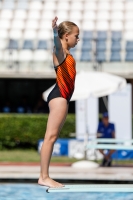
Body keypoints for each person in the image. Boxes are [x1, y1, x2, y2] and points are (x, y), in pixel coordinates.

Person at [38, 17, 80, 188]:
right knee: (50, 137)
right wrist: (55, 31)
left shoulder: (67, 53)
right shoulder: (59, 51)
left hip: (63, 97)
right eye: (76, 36)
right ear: (67, 35)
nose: (78, 39)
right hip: (59, 96)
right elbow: (56, 42)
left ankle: (44, 176)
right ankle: (44, 177)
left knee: (52, 137)